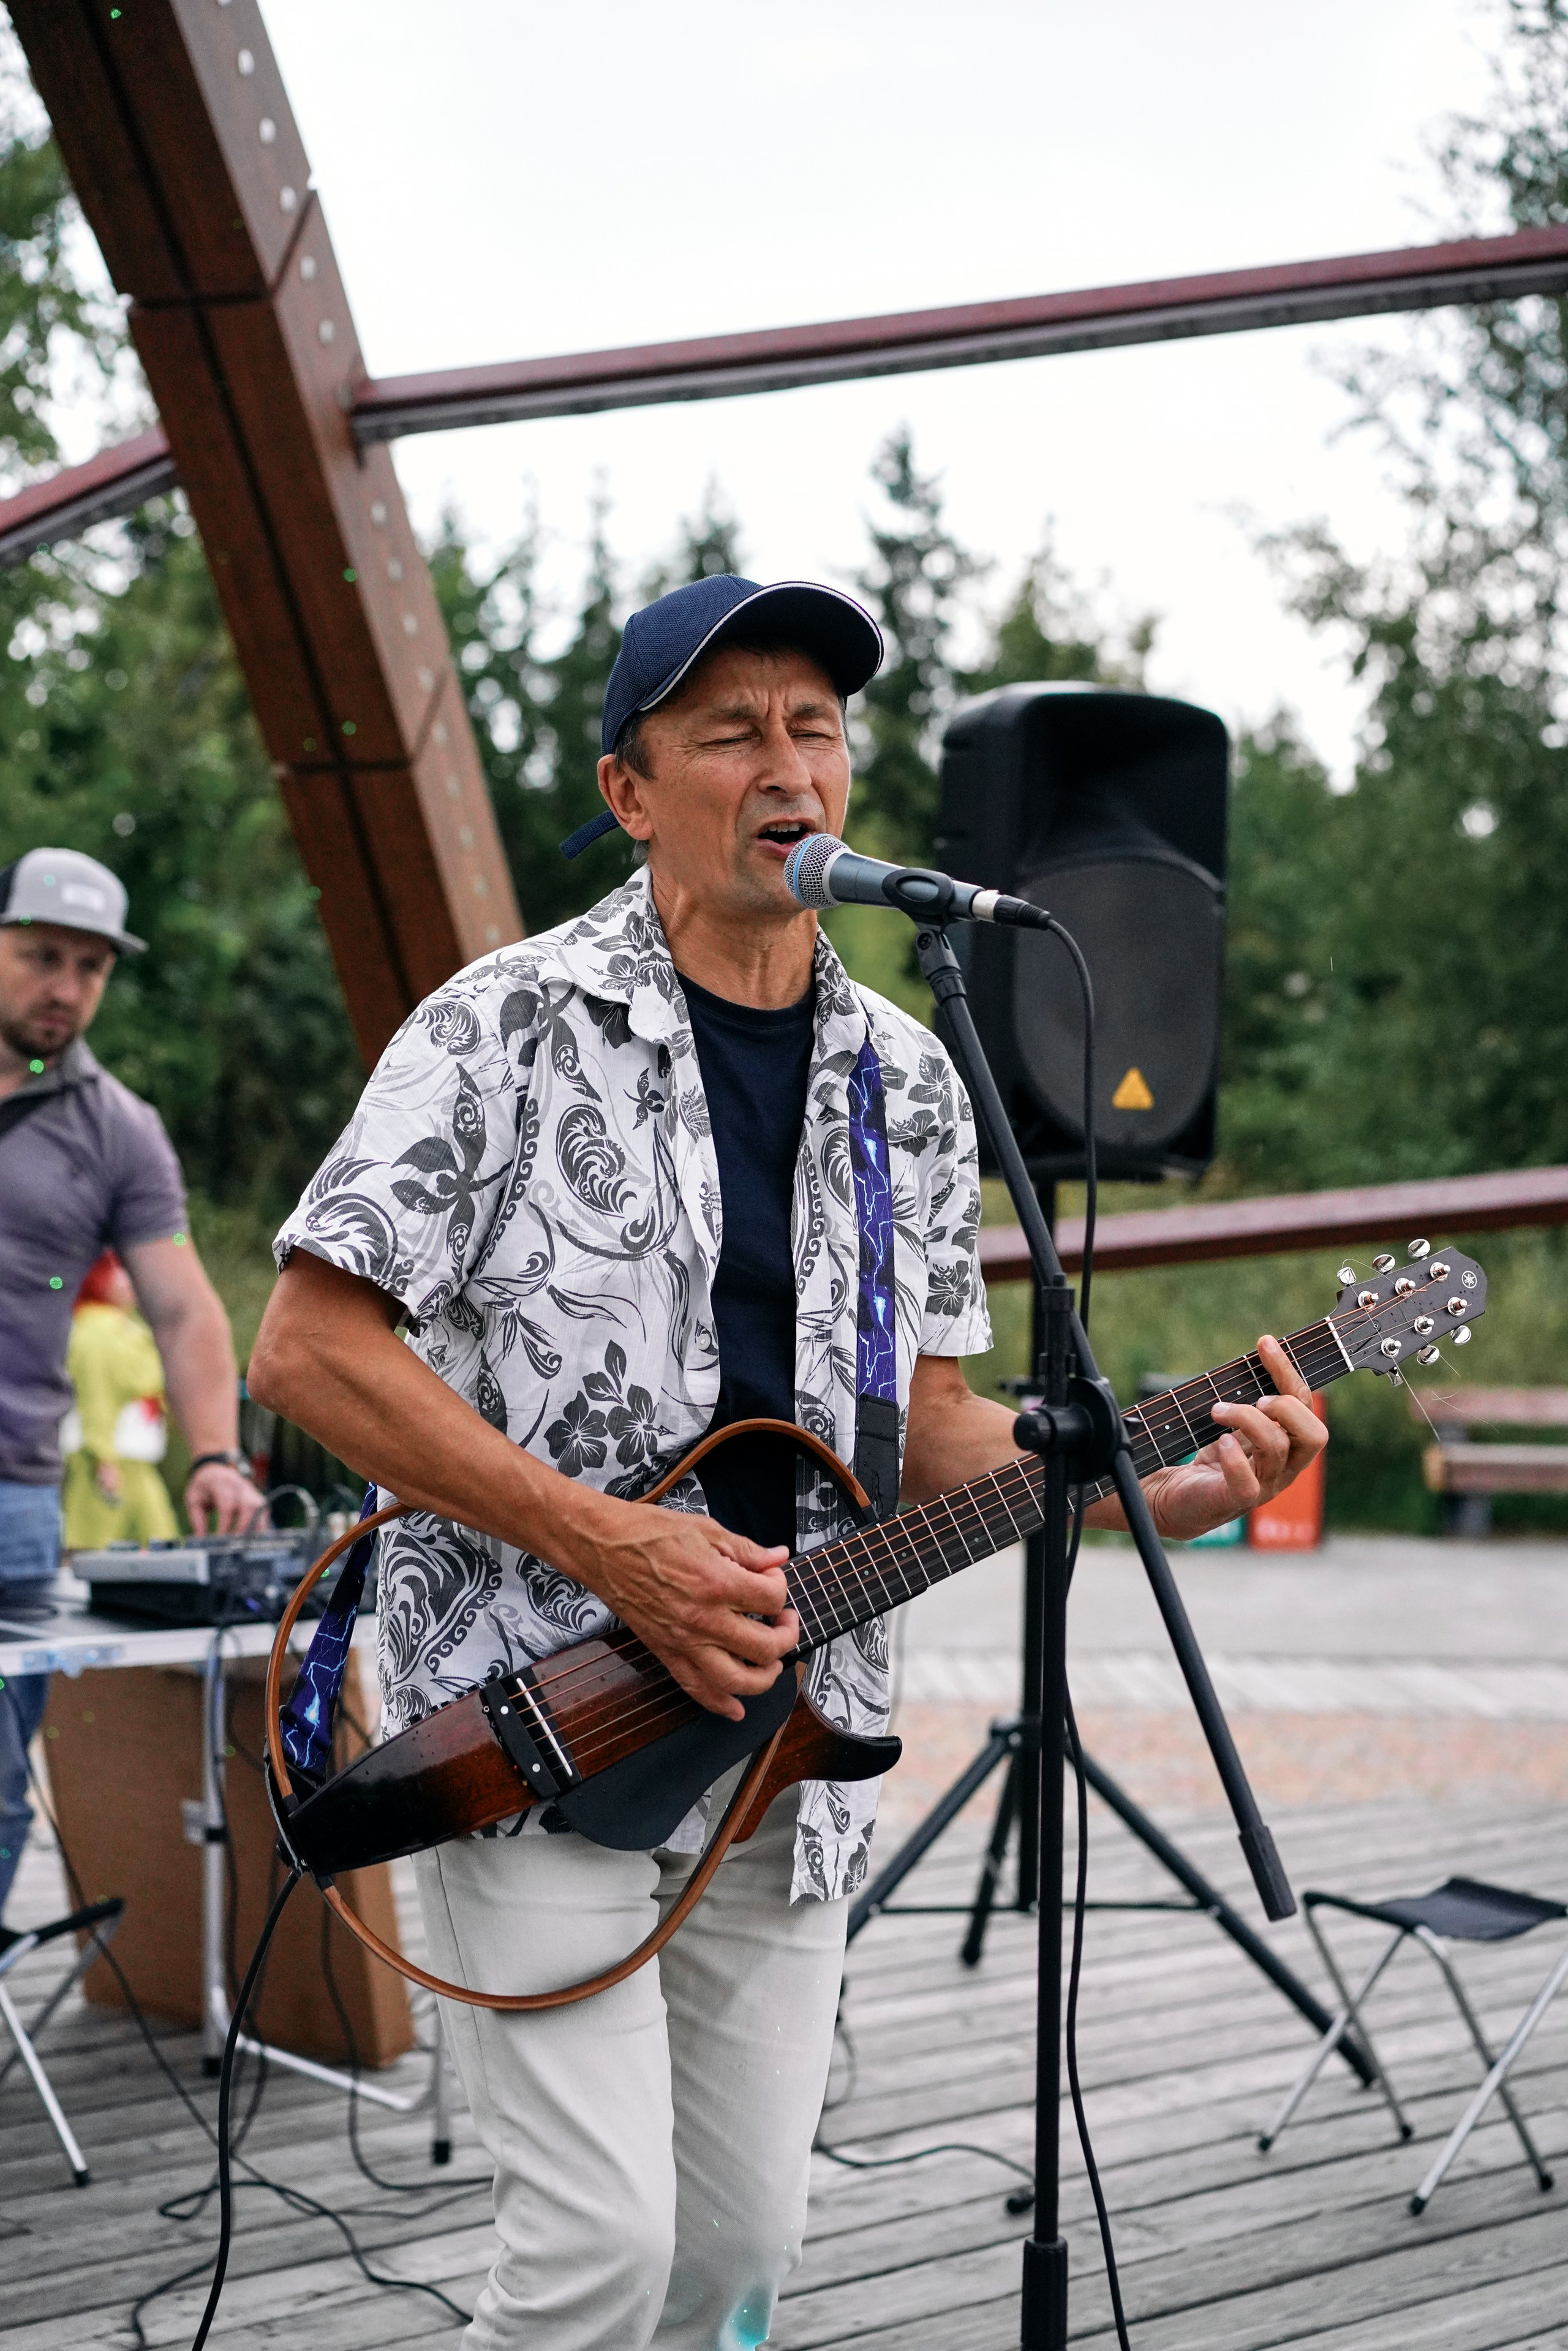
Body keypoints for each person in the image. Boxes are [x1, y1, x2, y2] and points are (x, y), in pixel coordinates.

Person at [249, 574, 1327, 2351]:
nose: (788, 764)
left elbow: (933, 1437)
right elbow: (309, 1347)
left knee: (739, 2263)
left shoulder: (910, 1076)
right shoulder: (497, 1028)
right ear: (629, 786)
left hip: (792, 1754)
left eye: (816, 726)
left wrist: (1167, 1490)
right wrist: (614, 1546)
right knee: (595, 2250)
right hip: (533, 1725)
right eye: (732, 727)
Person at [0, 847, 263, 1939]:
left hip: (12, 1506)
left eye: (91, 967)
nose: (66, 985)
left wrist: (213, 1454)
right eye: (42, 956)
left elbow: (187, 1311)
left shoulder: (119, 1128)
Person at [60, 1248, 181, 1552]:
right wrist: (104, 1459)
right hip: (107, 1461)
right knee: (89, 1551)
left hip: (135, 1460)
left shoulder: (122, 1327)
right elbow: (96, 1397)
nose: (129, 1281)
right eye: (120, 1272)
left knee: (163, 1547)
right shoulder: (95, 1332)